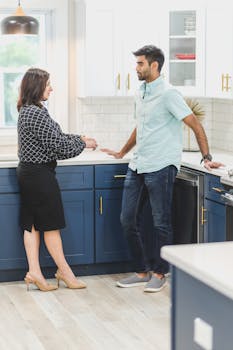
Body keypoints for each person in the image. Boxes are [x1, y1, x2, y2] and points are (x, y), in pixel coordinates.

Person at [101, 45, 223, 293]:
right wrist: (123, 152)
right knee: (127, 219)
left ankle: (159, 272)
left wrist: (206, 157)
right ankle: (141, 270)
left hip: (161, 166)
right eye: (136, 63)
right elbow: (141, 126)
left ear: (154, 65)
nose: (136, 68)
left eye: (140, 64)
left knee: (161, 222)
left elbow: (195, 125)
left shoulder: (169, 94)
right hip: (138, 164)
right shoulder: (141, 92)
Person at [17, 67, 97, 292]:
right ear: (37, 87)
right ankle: (65, 272)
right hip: (40, 176)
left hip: (30, 173)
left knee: (32, 224)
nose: (51, 88)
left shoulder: (30, 110)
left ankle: (35, 272)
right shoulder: (35, 113)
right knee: (51, 226)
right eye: (48, 84)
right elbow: (59, 147)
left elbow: (57, 137)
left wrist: (78, 138)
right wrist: (84, 144)